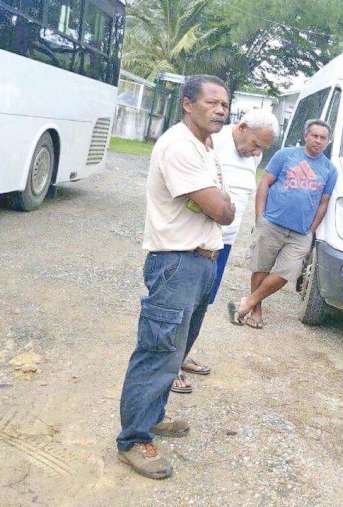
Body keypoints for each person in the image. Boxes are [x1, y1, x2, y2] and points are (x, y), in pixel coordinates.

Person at [116, 75, 235, 479]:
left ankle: (153, 416)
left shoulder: (204, 147)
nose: (222, 109)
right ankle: (133, 439)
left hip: (201, 261)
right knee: (157, 349)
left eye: (225, 104)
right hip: (176, 263)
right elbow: (222, 209)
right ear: (187, 103)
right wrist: (220, 206)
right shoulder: (179, 146)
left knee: (175, 350)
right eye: (213, 102)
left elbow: (218, 205)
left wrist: (218, 205)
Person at [173, 109, 278, 394]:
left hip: (224, 244)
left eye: (263, 148)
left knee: (202, 304)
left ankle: (181, 357)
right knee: (183, 305)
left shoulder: (251, 155)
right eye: (256, 144)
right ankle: (168, 369)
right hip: (199, 240)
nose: (258, 152)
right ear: (242, 127)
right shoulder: (211, 143)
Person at [230, 119, 337, 327]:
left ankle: (249, 301)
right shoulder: (285, 155)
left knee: (285, 273)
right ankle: (256, 312)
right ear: (306, 136)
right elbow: (265, 183)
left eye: (323, 138)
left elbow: (323, 203)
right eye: (314, 135)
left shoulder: (330, 170)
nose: (318, 140)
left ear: (328, 141)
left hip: (301, 233)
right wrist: (260, 217)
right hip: (272, 223)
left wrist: (311, 230)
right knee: (261, 267)